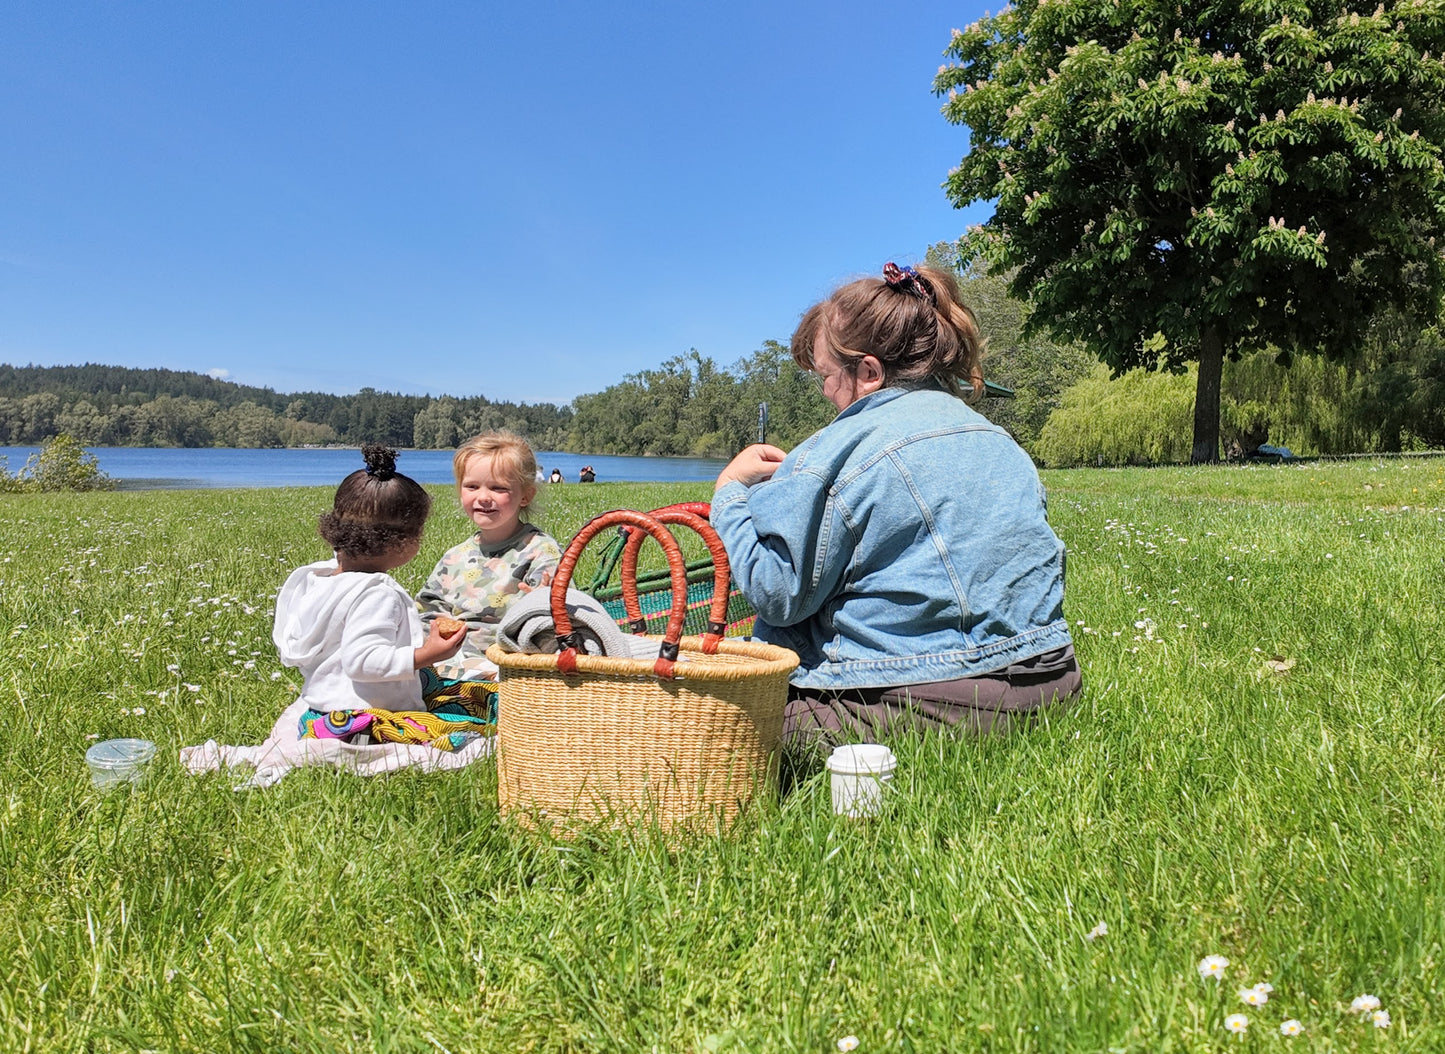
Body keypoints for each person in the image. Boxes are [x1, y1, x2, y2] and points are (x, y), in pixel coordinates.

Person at [710, 262, 1080, 748]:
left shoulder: (835, 448)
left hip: (927, 704)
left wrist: (730, 494)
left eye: (824, 375)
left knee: (708, 717)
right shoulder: (1001, 441)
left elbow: (776, 593)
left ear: (867, 372)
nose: (823, 392)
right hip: (1051, 684)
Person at [271, 445, 492, 750]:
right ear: (401, 542)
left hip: (321, 711)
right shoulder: (377, 593)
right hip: (368, 718)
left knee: (447, 688)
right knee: (480, 716)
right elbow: (363, 662)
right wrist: (429, 654)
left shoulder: (317, 579)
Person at [417, 431, 563, 680]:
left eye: (498, 488)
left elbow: (556, 622)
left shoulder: (541, 552)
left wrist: (541, 603)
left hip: (509, 666)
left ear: (526, 496)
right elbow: (427, 609)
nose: (483, 497)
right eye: (472, 486)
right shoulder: (455, 557)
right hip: (447, 663)